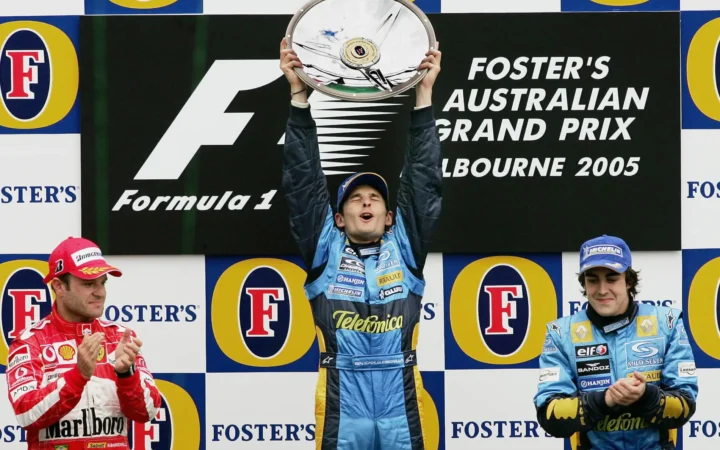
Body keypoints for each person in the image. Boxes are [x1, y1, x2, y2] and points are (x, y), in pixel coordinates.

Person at [280, 36, 442, 450]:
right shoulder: (324, 247)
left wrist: (423, 95)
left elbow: (423, 183)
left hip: (401, 400)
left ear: (390, 218)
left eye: (376, 199)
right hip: (341, 402)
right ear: (338, 218)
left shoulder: (404, 246)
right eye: (355, 198)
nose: (366, 201)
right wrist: (299, 97)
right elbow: (303, 184)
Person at [534, 235, 698, 450]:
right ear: (583, 283)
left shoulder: (667, 323)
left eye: (612, 279)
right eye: (592, 280)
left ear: (628, 281)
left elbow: (685, 406)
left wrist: (645, 395)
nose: (602, 290)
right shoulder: (560, 333)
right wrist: (606, 399)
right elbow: (550, 417)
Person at [5, 236, 161, 450]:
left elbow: (147, 412)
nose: (100, 292)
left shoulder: (120, 337)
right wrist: (78, 376)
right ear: (59, 286)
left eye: (102, 282)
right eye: (88, 284)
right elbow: (26, 414)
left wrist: (127, 375)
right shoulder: (30, 342)